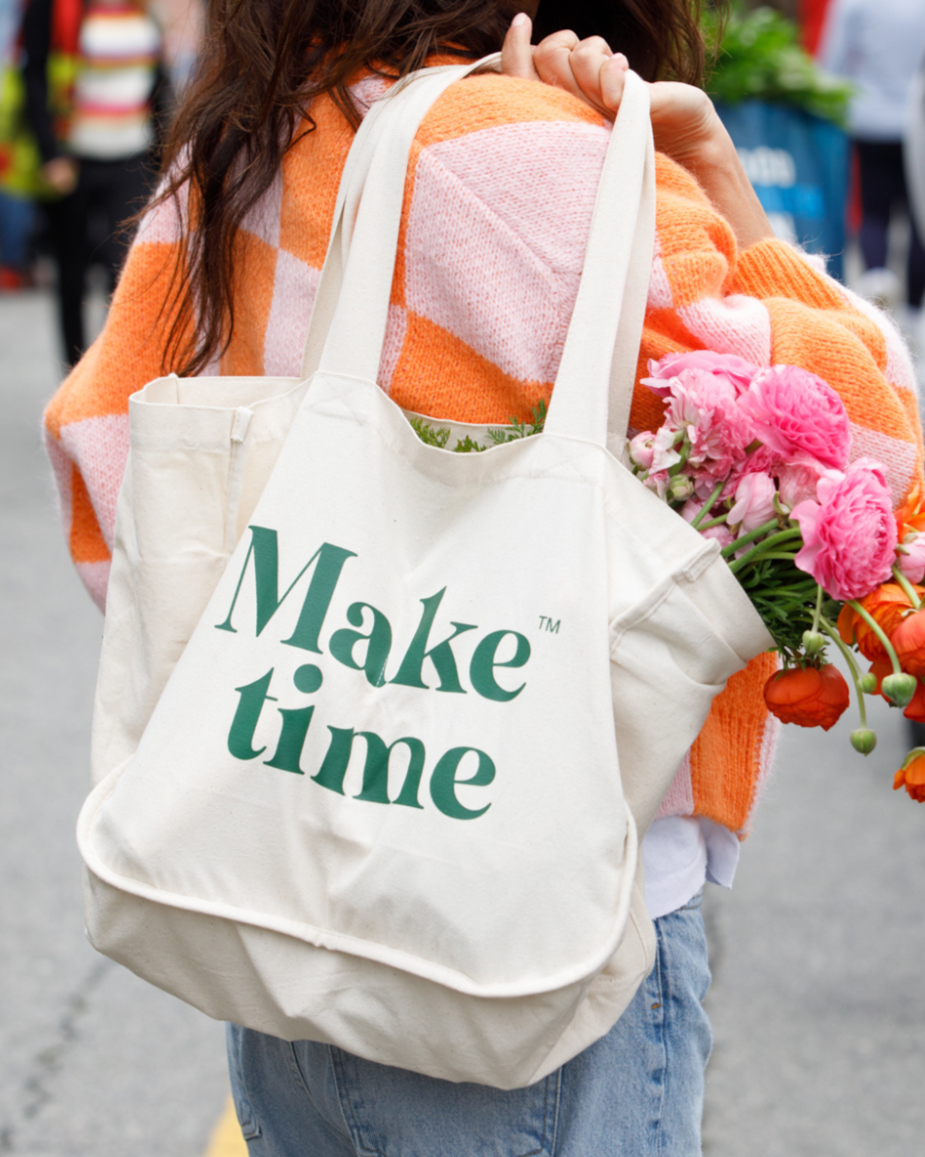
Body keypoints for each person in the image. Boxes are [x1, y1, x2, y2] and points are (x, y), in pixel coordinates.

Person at [43, 0, 923, 1152]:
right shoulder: (554, 157)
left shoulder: (241, 145)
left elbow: (107, 444)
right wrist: (715, 174)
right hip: (523, 942)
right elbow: (867, 447)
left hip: (274, 895)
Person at [22, 0, 171, 363]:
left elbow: (158, 81)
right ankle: (74, 377)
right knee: (72, 276)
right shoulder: (56, 7)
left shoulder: (145, 9)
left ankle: (111, 371)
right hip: (73, 162)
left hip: (133, 160)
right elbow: (34, 75)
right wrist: (51, 154)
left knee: (125, 270)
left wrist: (166, 154)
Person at [819, 0, 925, 328]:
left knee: (874, 210)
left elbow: (831, 65)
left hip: (868, 120)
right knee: (918, 216)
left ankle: (877, 289)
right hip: (917, 121)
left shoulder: (854, 3)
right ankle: (913, 310)